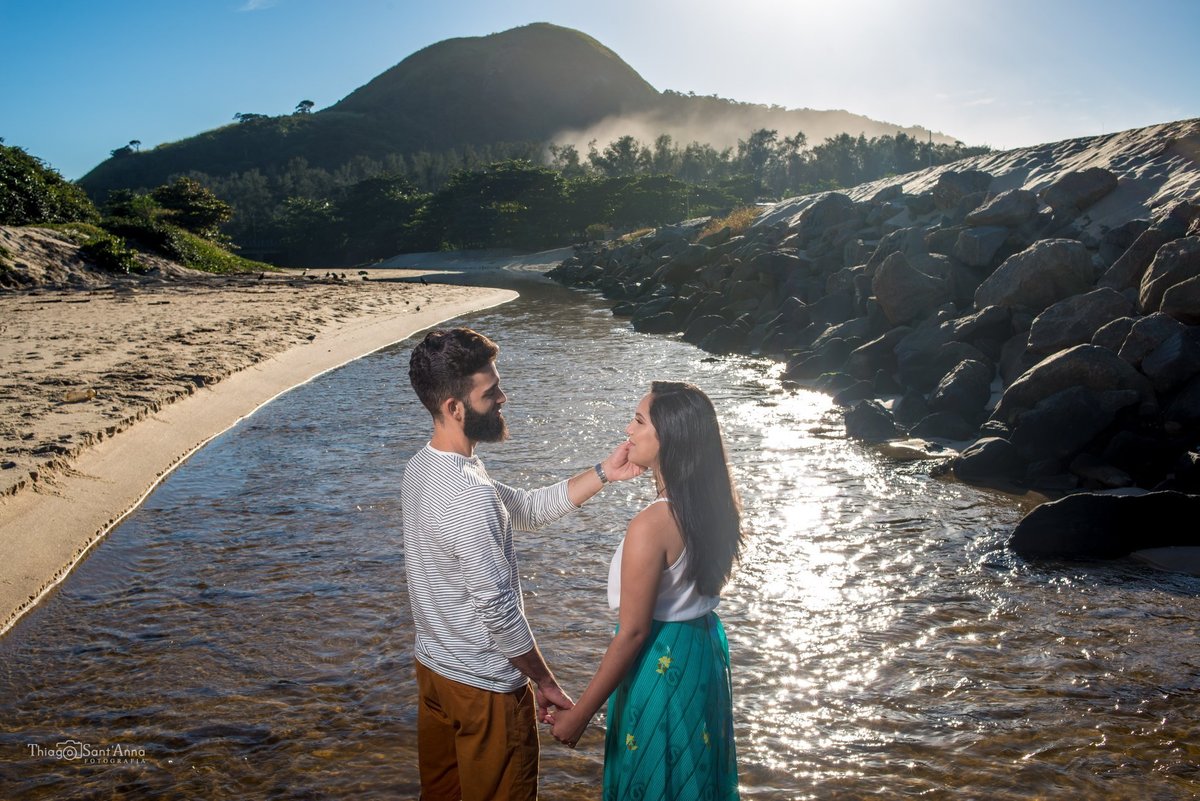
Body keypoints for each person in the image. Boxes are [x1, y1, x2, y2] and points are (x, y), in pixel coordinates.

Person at [401, 327, 643, 801]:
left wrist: (603, 474)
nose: (503, 397)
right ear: (454, 408)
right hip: (484, 691)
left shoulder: (424, 467)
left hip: (435, 673)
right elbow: (499, 613)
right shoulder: (469, 496)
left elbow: (526, 508)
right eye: (490, 392)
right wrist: (544, 680)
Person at [551, 380, 743, 800]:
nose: (627, 430)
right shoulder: (715, 503)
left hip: (662, 661)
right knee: (695, 774)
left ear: (668, 437)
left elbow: (633, 632)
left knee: (657, 777)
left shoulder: (652, 524)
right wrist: (605, 471)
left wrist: (580, 714)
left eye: (638, 421)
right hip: (703, 652)